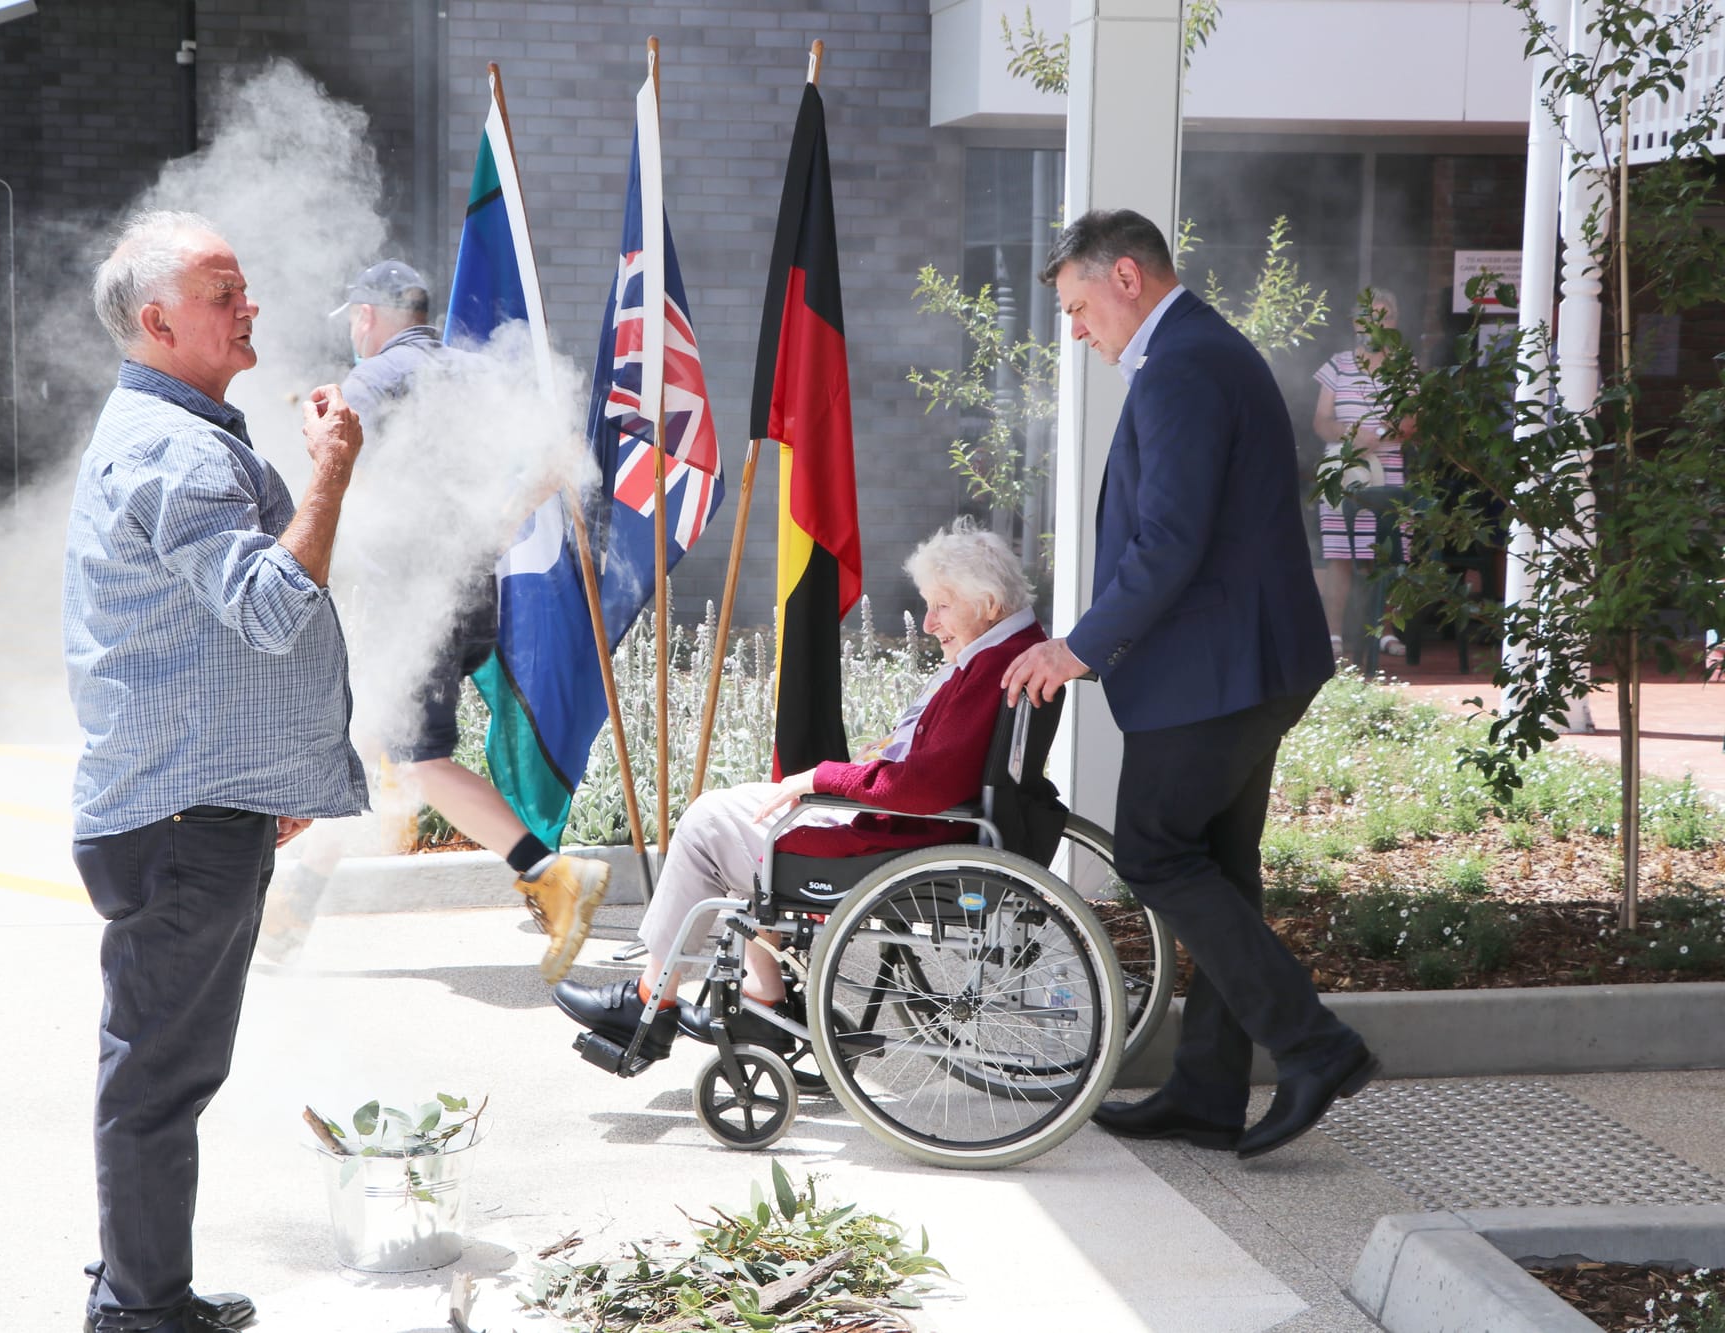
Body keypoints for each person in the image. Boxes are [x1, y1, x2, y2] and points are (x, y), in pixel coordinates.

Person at [1001, 209, 1374, 1160]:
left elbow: (1170, 541)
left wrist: (1079, 649)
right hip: (1240, 665)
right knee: (1221, 867)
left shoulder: (1184, 366)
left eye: (1078, 307)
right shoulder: (1197, 352)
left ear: (1127, 277)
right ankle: (1208, 1093)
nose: (1075, 330)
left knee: (1157, 851)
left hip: (1216, 672)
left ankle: (1315, 1045)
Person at [63, 210, 369, 1333]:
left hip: (186, 807)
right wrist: (332, 469)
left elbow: (198, 642)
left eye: (243, 287)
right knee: (160, 1081)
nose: (250, 306)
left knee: (156, 1071)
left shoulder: (168, 431)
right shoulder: (176, 450)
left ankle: (139, 1289)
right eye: (223, 292)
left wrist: (264, 777)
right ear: (158, 321)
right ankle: (141, 1310)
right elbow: (272, 609)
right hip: (183, 823)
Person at [550, 519, 1046, 1063]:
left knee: (707, 825)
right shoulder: (1012, 650)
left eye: (941, 607)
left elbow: (919, 788)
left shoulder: (990, 667)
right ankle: (760, 1001)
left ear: (988, 604)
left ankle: (652, 1002)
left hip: (900, 837)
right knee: (733, 817)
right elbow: (932, 770)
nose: (928, 624)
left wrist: (821, 777)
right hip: (919, 826)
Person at [255, 259, 609, 982]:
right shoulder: (472, 374)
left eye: (357, 318)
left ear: (371, 316)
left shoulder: (374, 379)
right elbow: (563, 451)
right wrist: (502, 519)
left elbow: (332, 472)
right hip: (470, 586)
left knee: (419, 759)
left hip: (416, 598)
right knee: (367, 738)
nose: (355, 331)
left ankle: (552, 876)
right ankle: (292, 911)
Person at [1313, 290, 1415, 659]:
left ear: (1395, 324)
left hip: (1388, 474)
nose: (1376, 326)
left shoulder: (1404, 367)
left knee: (1387, 555)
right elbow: (1321, 422)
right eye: (1370, 318)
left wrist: (1384, 434)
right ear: (1356, 323)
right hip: (1343, 473)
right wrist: (1351, 435)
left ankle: (1385, 633)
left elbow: (1411, 421)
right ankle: (1333, 636)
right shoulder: (1337, 365)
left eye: (1385, 318)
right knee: (1339, 554)